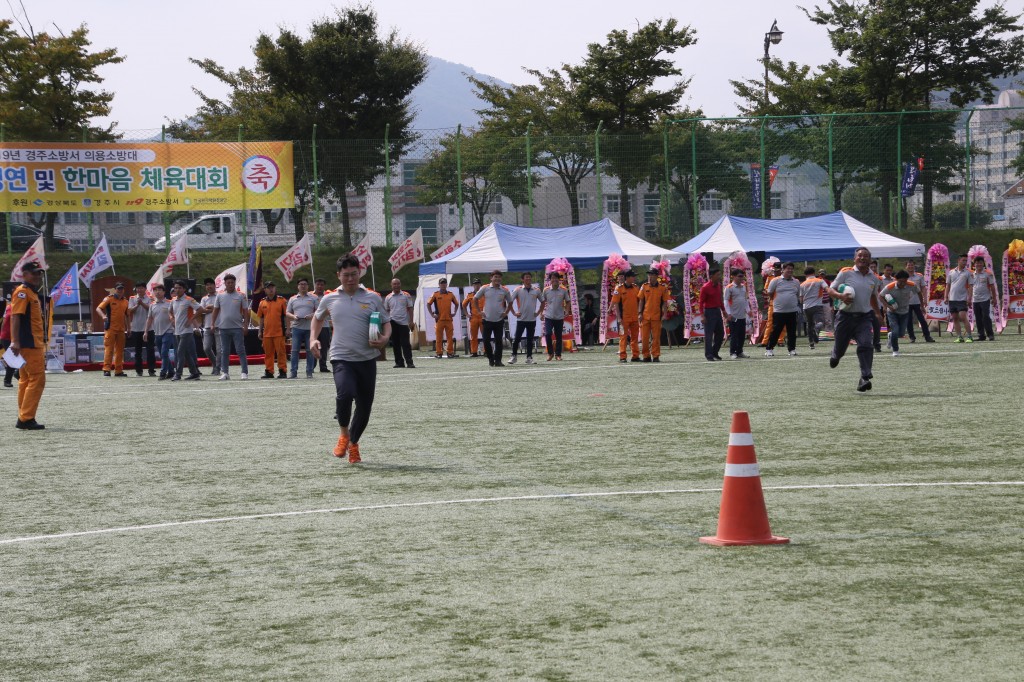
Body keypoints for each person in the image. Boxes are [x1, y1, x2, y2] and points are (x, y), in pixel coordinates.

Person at [310, 254, 391, 464]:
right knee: (344, 394)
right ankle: (344, 434)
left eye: (354, 274)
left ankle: (354, 444)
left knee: (365, 407)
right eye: (346, 275)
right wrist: (313, 339)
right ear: (339, 276)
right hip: (341, 357)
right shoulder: (329, 298)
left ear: (360, 273)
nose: (350, 279)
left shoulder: (372, 297)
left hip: (367, 358)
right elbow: (317, 319)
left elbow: (386, 321)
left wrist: (384, 338)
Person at [828, 247, 883, 392]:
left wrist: (877, 313)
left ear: (870, 260)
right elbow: (830, 289)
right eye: (860, 256)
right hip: (844, 317)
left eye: (866, 256)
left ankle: (864, 377)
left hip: (864, 317)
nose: (863, 258)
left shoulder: (874, 278)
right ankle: (836, 355)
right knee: (840, 348)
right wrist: (841, 297)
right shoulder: (846, 273)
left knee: (866, 344)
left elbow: (872, 296)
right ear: (855, 259)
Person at [9, 261, 47, 429]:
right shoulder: (23, 292)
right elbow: (15, 316)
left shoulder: (30, 292)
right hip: (29, 343)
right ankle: (26, 418)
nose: (38, 276)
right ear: (24, 275)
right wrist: (15, 340)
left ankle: (23, 416)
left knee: (25, 379)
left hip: (30, 342)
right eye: (34, 273)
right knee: (37, 379)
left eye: (39, 273)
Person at [212, 273, 249, 380]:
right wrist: (212, 323)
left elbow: (246, 311)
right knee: (224, 351)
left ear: (234, 283)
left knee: (240, 350)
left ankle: (244, 372)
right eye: (228, 282)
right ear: (225, 283)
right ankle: (225, 373)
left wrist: (245, 324)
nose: (230, 284)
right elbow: (215, 310)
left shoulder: (241, 295)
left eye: (232, 282)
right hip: (223, 328)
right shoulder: (220, 295)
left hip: (237, 328)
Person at [476, 270, 512, 367]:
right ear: (491, 278)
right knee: (486, 340)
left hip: (499, 320)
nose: (497, 279)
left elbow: (510, 302)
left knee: (499, 341)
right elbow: (475, 299)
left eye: (499, 277)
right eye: (495, 277)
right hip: (487, 319)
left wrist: (506, 312)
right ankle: (490, 358)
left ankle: (498, 360)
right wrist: (479, 311)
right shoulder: (485, 288)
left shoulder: (504, 290)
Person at [765, 262, 800, 357]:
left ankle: (792, 349)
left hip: (792, 310)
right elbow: (770, 293)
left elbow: (798, 294)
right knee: (776, 331)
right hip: (779, 311)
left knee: (792, 331)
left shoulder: (796, 281)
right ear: (783, 270)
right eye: (788, 268)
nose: (790, 270)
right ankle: (769, 348)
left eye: (791, 268)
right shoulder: (775, 280)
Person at [285, 277, 318, 378]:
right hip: (296, 328)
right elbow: (287, 313)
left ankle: (309, 372)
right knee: (294, 351)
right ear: (298, 286)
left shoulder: (314, 297)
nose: (303, 286)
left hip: (310, 329)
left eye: (305, 284)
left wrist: (311, 315)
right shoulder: (292, 298)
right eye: (301, 284)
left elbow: (319, 311)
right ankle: (293, 372)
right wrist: (294, 317)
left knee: (310, 351)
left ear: (308, 286)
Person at [881, 270, 919, 357]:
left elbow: (919, 292)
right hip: (892, 312)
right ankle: (895, 350)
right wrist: (887, 306)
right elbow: (880, 295)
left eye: (905, 281)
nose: (903, 283)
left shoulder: (911, 285)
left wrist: (922, 304)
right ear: (896, 279)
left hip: (905, 312)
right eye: (901, 281)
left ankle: (891, 336)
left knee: (901, 333)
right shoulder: (889, 287)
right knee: (895, 330)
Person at [170, 280, 202, 381]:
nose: (177, 290)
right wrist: (172, 319)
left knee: (179, 352)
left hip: (187, 331)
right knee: (186, 353)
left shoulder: (189, 299)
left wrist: (191, 320)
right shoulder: (173, 300)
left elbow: (200, 309)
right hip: (177, 331)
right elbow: (170, 312)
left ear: (184, 289)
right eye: (176, 288)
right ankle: (194, 373)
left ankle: (178, 374)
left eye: (179, 288)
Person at [96, 281, 130, 377]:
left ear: (123, 290)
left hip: (121, 329)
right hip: (110, 328)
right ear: (115, 290)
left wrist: (129, 328)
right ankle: (106, 369)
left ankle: (118, 370)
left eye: (121, 289)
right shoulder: (109, 299)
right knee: (109, 349)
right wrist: (103, 316)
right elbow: (98, 308)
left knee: (120, 351)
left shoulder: (126, 301)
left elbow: (127, 315)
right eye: (118, 289)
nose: (120, 290)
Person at [258, 281, 289, 378]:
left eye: (272, 287)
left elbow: (286, 316)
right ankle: (269, 371)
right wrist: (260, 331)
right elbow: (261, 318)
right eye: (268, 287)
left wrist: (288, 328)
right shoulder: (262, 302)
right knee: (268, 354)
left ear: (275, 289)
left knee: (281, 353)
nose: (271, 289)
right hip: (267, 333)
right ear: (265, 290)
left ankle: (282, 371)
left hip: (279, 332)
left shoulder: (282, 301)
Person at [145, 284, 175, 380]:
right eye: (155, 290)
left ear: (164, 292)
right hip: (157, 332)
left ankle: (163, 372)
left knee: (164, 352)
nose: (157, 292)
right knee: (163, 353)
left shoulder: (170, 303)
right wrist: (146, 331)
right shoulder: (152, 305)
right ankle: (171, 371)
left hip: (169, 331)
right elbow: (149, 319)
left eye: (159, 290)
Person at [509, 272, 541, 364]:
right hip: (521, 319)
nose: (528, 279)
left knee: (530, 339)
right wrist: (514, 313)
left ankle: (529, 357)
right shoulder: (518, 289)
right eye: (526, 277)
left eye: (529, 277)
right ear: (522, 279)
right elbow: (510, 301)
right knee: (517, 338)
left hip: (532, 319)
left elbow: (543, 302)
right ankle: (514, 356)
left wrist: (538, 312)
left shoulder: (536, 290)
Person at [384, 278, 415, 368]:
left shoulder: (406, 295)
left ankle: (409, 362)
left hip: (404, 323)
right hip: (392, 322)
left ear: (400, 284)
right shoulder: (388, 297)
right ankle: (399, 362)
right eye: (394, 284)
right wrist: (386, 324)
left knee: (406, 343)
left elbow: (410, 308)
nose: (396, 285)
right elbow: (386, 311)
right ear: (391, 285)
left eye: (398, 284)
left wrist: (411, 321)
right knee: (395, 343)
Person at [127, 283, 156, 377]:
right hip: (136, 328)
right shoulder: (132, 298)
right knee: (137, 351)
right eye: (138, 288)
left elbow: (151, 309)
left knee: (150, 350)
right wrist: (137, 305)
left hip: (149, 328)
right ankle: (139, 370)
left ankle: (151, 370)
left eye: (141, 288)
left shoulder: (150, 297)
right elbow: (129, 311)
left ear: (145, 289)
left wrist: (142, 303)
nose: (139, 290)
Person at [540, 271, 570, 361]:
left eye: (556, 278)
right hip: (548, 316)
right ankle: (550, 353)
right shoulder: (546, 290)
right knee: (548, 334)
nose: (554, 280)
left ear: (559, 279)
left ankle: (558, 355)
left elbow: (568, 301)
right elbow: (542, 302)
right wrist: (541, 313)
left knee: (558, 336)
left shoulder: (563, 290)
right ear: (550, 280)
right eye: (552, 278)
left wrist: (567, 310)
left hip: (559, 317)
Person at [612, 269, 641, 363]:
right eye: (633, 276)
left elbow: (640, 301)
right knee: (623, 337)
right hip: (624, 318)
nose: (634, 278)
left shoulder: (636, 288)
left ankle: (635, 356)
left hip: (635, 317)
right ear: (627, 278)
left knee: (635, 337)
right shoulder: (619, 289)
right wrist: (619, 317)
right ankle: (622, 356)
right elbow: (616, 304)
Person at [427, 278, 460, 359]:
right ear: (439, 285)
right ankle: (439, 353)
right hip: (439, 320)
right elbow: (428, 304)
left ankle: (450, 352)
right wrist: (432, 314)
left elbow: (457, 304)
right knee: (439, 337)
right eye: (442, 283)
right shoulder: (435, 294)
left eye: (444, 283)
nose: (443, 285)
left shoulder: (451, 294)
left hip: (448, 319)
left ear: (446, 284)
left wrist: (454, 312)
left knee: (450, 338)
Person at [698, 267, 724, 362]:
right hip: (709, 312)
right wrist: (702, 315)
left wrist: (724, 311)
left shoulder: (718, 285)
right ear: (712, 276)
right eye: (718, 275)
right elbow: (700, 302)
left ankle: (714, 352)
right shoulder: (705, 287)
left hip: (717, 311)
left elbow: (720, 300)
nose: (719, 276)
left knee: (720, 333)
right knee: (709, 335)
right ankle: (709, 354)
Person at [904, 260, 934, 343]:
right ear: (906, 266)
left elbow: (923, 288)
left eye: (912, 265)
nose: (910, 267)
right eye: (909, 265)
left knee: (922, 320)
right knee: (908, 321)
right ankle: (912, 337)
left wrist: (924, 299)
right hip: (907, 303)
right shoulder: (903, 276)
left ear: (914, 266)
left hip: (918, 301)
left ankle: (927, 336)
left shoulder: (919, 276)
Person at [799, 266, 829, 350]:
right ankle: (816, 329)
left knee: (809, 324)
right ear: (814, 273)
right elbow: (827, 289)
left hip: (806, 307)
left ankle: (811, 343)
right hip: (817, 305)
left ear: (805, 274)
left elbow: (800, 299)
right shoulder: (819, 280)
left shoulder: (802, 284)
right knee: (820, 322)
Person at [946, 254, 973, 343]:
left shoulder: (968, 272)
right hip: (952, 299)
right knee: (955, 318)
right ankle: (959, 336)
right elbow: (948, 285)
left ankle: (969, 336)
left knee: (962, 317)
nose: (965, 262)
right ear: (958, 260)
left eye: (966, 261)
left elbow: (970, 286)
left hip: (962, 299)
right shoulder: (951, 272)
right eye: (963, 260)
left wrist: (969, 298)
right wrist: (946, 296)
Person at [971, 255, 998, 342]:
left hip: (985, 299)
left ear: (983, 264)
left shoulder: (988, 273)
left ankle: (990, 335)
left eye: (980, 263)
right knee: (978, 318)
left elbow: (992, 287)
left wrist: (994, 298)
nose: (979, 264)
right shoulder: (971, 274)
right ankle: (981, 335)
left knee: (986, 317)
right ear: (974, 264)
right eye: (977, 263)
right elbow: (969, 287)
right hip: (975, 300)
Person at [724, 268, 750, 360]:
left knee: (742, 335)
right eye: (739, 276)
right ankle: (733, 352)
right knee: (734, 335)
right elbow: (726, 301)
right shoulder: (729, 287)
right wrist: (728, 314)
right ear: (733, 276)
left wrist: (748, 310)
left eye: (742, 276)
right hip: (733, 315)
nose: (741, 278)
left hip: (742, 315)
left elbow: (745, 300)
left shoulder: (743, 286)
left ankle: (740, 351)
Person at [199, 278, 221, 376]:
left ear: (214, 285)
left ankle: (218, 368)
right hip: (207, 326)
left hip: (219, 325)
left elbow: (222, 308)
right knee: (206, 348)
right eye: (207, 285)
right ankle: (215, 363)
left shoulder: (220, 296)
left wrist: (210, 308)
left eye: (211, 284)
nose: (209, 286)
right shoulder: (204, 298)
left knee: (219, 349)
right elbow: (201, 310)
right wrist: (213, 309)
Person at [759, 261, 783, 346]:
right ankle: (765, 341)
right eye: (775, 270)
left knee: (782, 323)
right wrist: (769, 293)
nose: (776, 271)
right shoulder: (770, 278)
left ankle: (780, 341)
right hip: (772, 302)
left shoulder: (785, 278)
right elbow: (765, 289)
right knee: (769, 322)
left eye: (778, 270)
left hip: (782, 303)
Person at [312, 278, 332, 372]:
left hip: (325, 326)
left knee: (324, 346)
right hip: (314, 326)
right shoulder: (310, 296)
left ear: (324, 286)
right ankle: (312, 366)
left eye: (322, 285)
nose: (320, 286)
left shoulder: (328, 296)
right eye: (318, 284)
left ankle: (323, 366)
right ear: (315, 285)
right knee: (313, 346)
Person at [462, 278, 484, 357]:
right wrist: (467, 314)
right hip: (474, 318)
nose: (477, 286)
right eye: (475, 284)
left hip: (483, 318)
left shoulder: (484, 294)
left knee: (485, 335)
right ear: (473, 285)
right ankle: (474, 352)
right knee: (473, 336)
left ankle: (486, 351)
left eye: (478, 284)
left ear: (480, 285)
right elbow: (463, 305)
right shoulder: (470, 295)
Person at [2, 303, 19, 388]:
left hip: (15, 337)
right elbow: (4, 321)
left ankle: (17, 374)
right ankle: (8, 379)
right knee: (12, 358)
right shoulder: (9, 307)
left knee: (15, 357)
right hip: (7, 337)